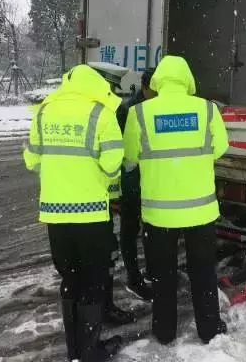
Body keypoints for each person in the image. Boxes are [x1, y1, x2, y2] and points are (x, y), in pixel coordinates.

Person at [123, 55, 229, 345]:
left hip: (159, 216)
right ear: (188, 80)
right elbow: (220, 147)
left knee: (163, 275)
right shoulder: (207, 110)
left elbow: (130, 157)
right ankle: (208, 328)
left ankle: (165, 330)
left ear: (158, 82)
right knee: (203, 273)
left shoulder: (140, 114)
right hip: (201, 212)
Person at [23, 64, 124, 362]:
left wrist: (58, 177)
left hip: (55, 213)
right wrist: (94, 181)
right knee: (93, 280)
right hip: (91, 214)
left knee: (70, 277)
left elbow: (31, 159)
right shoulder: (101, 113)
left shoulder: (44, 111)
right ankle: (90, 351)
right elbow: (112, 164)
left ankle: (74, 352)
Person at [87, 62, 137, 326]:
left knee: (90, 259)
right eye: (112, 88)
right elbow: (118, 158)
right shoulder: (110, 112)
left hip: (83, 198)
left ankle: (97, 310)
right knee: (105, 253)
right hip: (100, 198)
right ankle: (104, 310)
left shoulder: (84, 110)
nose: (115, 94)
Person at [116, 68, 157, 301]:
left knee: (151, 230)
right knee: (130, 231)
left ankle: (152, 272)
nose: (158, 94)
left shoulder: (156, 107)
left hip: (151, 182)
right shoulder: (127, 109)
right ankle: (134, 278)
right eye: (155, 89)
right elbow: (121, 149)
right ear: (144, 86)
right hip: (132, 181)